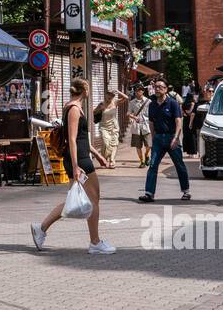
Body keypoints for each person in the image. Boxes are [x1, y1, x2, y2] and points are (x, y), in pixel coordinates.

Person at [31, 78, 113, 254]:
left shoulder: (73, 106)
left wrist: (98, 155)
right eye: (88, 88)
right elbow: (73, 139)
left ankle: (41, 228)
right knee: (93, 199)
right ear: (85, 90)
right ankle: (95, 243)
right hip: (80, 160)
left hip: (81, 157)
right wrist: (76, 166)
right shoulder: (74, 109)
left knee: (76, 201)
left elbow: (82, 139)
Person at [138, 79, 190, 203]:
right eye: (155, 87)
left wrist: (176, 138)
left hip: (172, 137)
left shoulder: (173, 103)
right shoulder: (152, 105)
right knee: (152, 165)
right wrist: (153, 136)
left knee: (179, 165)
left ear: (166, 89)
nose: (157, 89)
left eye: (160, 87)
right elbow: (151, 122)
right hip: (158, 139)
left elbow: (178, 121)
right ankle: (149, 193)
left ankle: (186, 191)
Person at [94, 87, 126, 163]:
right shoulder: (101, 104)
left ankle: (112, 160)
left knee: (114, 143)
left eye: (112, 95)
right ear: (105, 95)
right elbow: (94, 112)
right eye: (108, 94)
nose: (110, 96)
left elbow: (126, 98)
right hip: (104, 127)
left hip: (114, 126)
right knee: (106, 143)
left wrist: (118, 91)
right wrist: (99, 110)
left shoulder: (115, 102)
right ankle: (104, 158)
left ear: (113, 96)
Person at [127, 85, 152, 167]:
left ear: (142, 91)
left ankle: (146, 155)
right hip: (136, 126)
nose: (137, 92)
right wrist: (134, 117)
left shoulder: (148, 101)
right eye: (136, 91)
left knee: (149, 145)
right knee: (138, 146)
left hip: (146, 125)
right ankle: (142, 161)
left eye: (138, 91)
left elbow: (152, 113)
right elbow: (128, 113)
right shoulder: (132, 102)